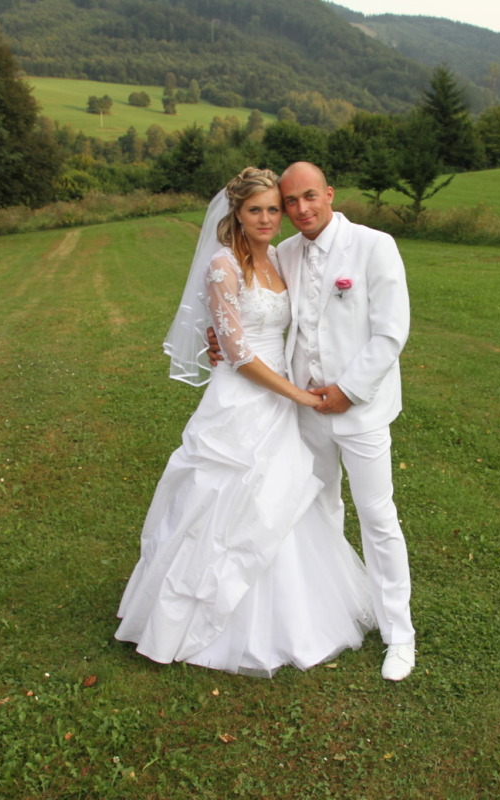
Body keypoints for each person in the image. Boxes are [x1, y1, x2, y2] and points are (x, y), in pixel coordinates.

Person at [114, 167, 375, 678]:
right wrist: (296, 394)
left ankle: (293, 615)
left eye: (274, 209)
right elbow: (237, 354)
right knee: (225, 499)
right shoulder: (223, 265)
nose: (267, 218)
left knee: (282, 498)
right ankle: (200, 615)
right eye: (255, 210)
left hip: (279, 393)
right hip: (244, 399)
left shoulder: (279, 258)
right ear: (236, 212)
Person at [209, 162, 416, 681]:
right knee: (317, 509)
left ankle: (400, 634)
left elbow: (391, 333)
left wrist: (348, 391)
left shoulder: (374, 246)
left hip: (361, 410)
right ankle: (334, 607)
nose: (300, 209)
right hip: (300, 409)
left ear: (329, 194)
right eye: (290, 201)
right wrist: (217, 340)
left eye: (309, 197)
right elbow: (250, 304)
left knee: (377, 517)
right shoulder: (284, 253)